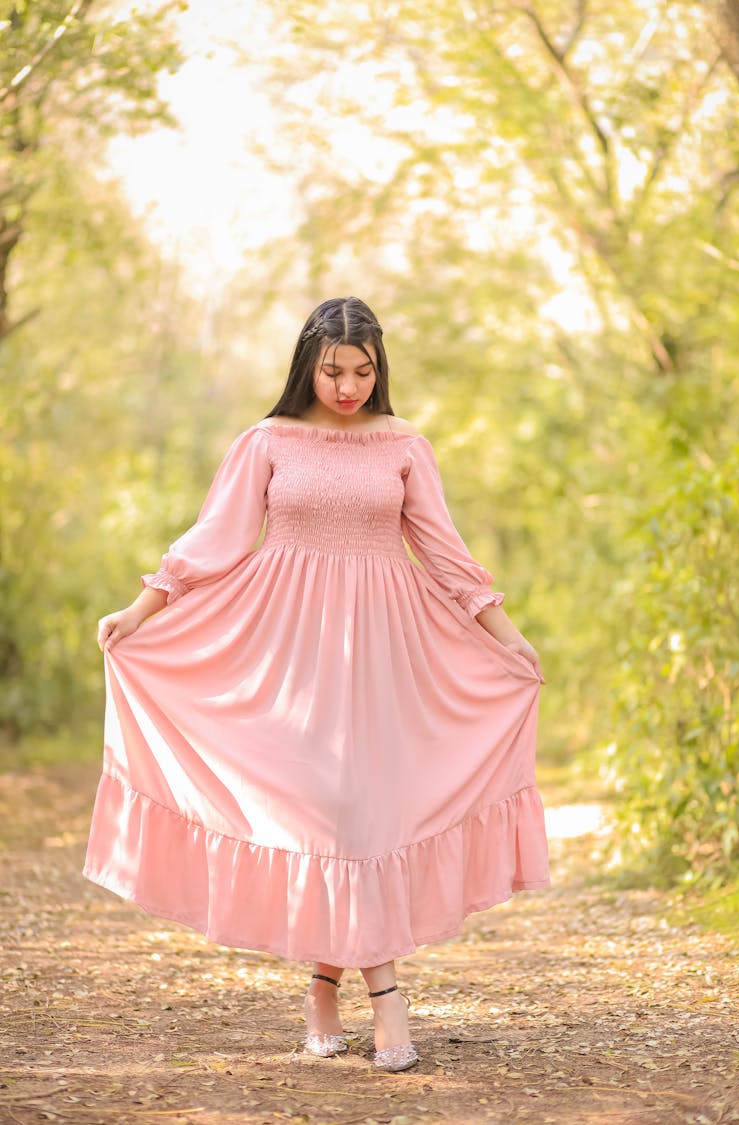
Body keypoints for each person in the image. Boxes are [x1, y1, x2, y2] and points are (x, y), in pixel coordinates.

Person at [86, 296, 549, 1074]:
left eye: (364, 371)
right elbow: (217, 540)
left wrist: (507, 636)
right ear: (308, 364)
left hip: (385, 651)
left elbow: (443, 550)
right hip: (287, 648)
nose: (349, 386)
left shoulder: (403, 444)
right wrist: (139, 612)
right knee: (329, 812)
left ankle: (326, 985)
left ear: (380, 369)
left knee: (364, 811)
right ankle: (384, 996)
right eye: (334, 370)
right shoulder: (267, 441)